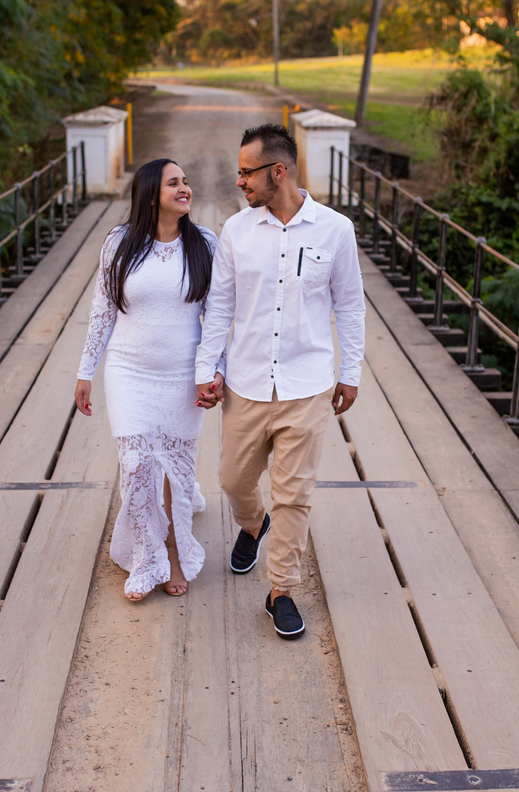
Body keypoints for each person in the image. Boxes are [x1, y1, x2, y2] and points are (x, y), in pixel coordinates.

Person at [195, 124, 365, 640]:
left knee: (294, 496)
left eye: (247, 172)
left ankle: (282, 591)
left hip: (307, 385)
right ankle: (253, 524)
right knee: (232, 480)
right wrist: (206, 369)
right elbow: (219, 307)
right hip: (246, 383)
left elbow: (349, 305)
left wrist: (350, 372)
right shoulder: (236, 231)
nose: (239, 181)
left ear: (278, 171)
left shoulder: (335, 229)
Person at [76, 158, 223, 602]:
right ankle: (147, 557)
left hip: (183, 374)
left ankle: (175, 551)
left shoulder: (205, 244)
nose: (185, 188)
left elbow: (217, 317)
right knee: (137, 463)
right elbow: (103, 309)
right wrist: (86, 371)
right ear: (150, 195)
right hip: (128, 371)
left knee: (176, 471)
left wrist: (214, 371)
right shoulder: (119, 243)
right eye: (173, 183)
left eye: (186, 181)